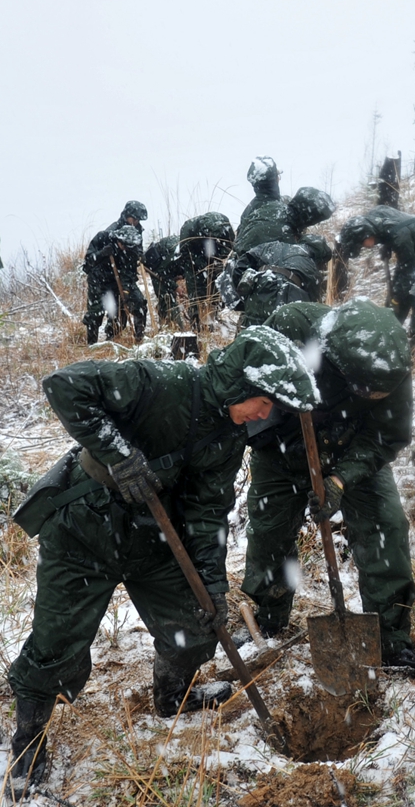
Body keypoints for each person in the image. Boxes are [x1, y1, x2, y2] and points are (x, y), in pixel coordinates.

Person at [6, 326, 319, 798]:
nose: (264, 414)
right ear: (240, 385)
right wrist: (120, 456)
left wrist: (212, 591)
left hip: (154, 541)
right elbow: (65, 385)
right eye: (264, 401)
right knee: (55, 646)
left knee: (196, 624)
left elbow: (206, 514)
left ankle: (173, 697)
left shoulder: (230, 439)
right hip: (82, 532)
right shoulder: (160, 383)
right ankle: (28, 745)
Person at [240, 298, 415, 670]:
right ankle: (268, 618)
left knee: (385, 528)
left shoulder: (390, 364)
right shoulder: (290, 327)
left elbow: (386, 435)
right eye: (366, 392)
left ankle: (391, 640)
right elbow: (244, 385)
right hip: (281, 448)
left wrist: (341, 479)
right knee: (269, 533)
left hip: (351, 450)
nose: (373, 397)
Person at [338, 206, 415, 331]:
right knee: (400, 289)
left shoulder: (399, 237)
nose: (364, 247)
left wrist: (398, 296)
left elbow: (407, 268)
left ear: (366, 234)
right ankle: (392, 326)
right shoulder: (373, 216)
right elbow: (390, 224)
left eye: (362, 244)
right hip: (414, 246)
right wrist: (387, 245)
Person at [218, 234, 332, 327]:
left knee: (248, 335)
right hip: (285, 304)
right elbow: (311, 305)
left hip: (258, 291)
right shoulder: (311, 266)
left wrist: (246, 295)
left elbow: (242, 263)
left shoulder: (273, 246)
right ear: (319, 257)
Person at [82, 224, 147, 344]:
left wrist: (126, 292)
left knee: (137, 303)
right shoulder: (102, 238)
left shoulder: (131, 249)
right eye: (125, 247)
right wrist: (101, 254)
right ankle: (92, 345)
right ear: (119, 241)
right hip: (98, 280)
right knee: (95, 314)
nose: (127, 250)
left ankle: (119, 338)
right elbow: (87, 264)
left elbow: (129, 273)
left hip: (118, 280)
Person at [177, 212, 235, 330]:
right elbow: (187, 257)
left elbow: (230, 245)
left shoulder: (224, 224)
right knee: (196, 288)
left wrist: (219, 261)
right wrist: (204, 266)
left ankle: (213, 315)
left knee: (216, 285)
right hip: (194, 255)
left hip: (213, 250)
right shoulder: (188, 230)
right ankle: (196, 322)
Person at [142, 234, 184, 327]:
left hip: (167, 267)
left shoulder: (189, 250)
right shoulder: (175, 252)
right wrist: (175, 286)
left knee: (166, 299)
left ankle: (164, 322)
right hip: (156, 268)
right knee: (168, 298)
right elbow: (162, 274)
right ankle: (180, 329)